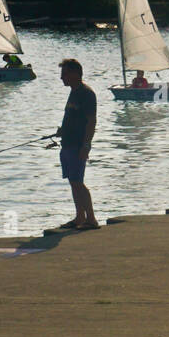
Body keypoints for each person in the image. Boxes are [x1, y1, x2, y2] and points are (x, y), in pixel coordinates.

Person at [56, 58, 99, 231]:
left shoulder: (86, 93)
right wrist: (62, 130)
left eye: (64, 73)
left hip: (77, 145)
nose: (62, 77)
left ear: (74, 73)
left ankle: (91, 219)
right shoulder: (74, 92)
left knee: (78, 181)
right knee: (73, 182)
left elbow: (91, 121)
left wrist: (86, 145)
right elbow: (74, 117)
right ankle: (79, 216)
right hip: (67, 143)